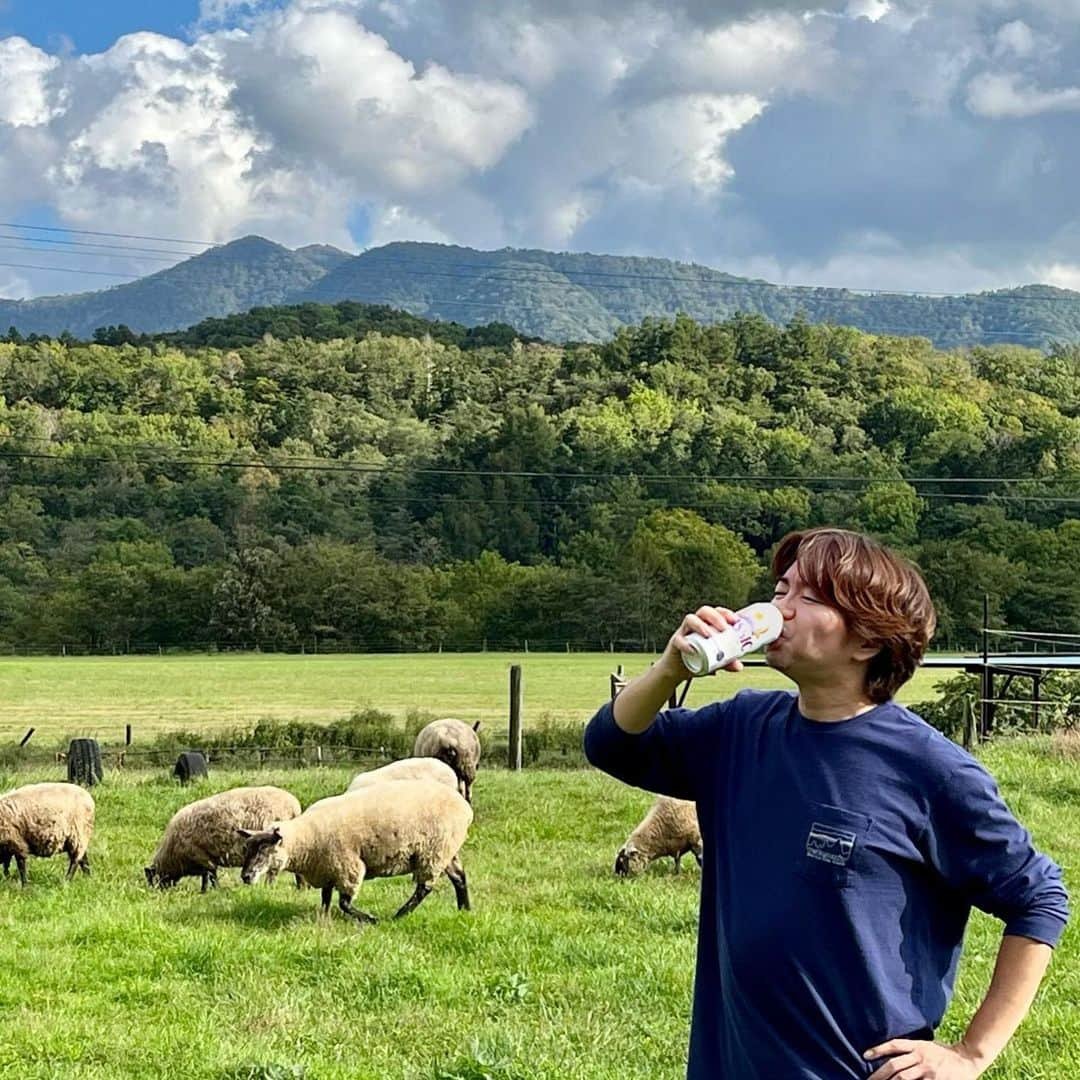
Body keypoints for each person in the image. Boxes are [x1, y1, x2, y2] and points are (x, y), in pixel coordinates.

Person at [584, 527, 1068, 1079]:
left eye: (807, 599)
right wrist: (672, 665)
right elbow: (611, 743)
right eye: (781, 590)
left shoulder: (931, 769)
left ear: (866, 642)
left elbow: (1039, 900)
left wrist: (970, 1054)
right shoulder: (739, 729)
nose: (778, 610)